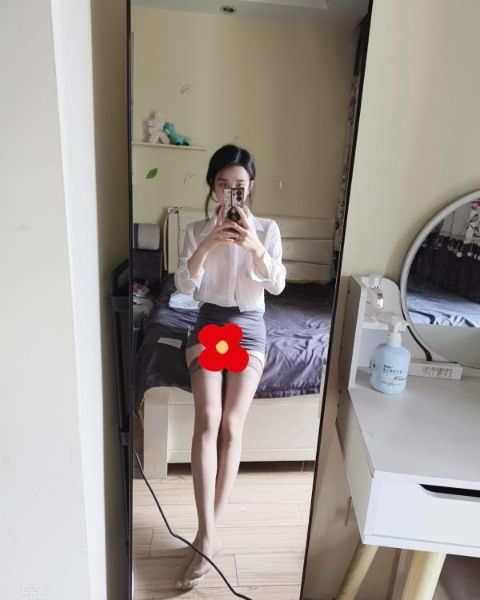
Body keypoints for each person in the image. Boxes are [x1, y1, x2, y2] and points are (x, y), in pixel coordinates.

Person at [173, 144, 286, 589]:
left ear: (250, 186)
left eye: (240, 185)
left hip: (250, 326)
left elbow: (277, 285)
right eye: (224, 184)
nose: (232, 192)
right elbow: (184, 286)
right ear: (213, 186)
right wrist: (208, 242)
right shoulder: (195, 229)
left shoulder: (269, 229)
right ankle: (209, 534)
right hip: (209, 325)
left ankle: (208, 535)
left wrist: (254, 245)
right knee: (208, 420)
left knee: (232, 426)